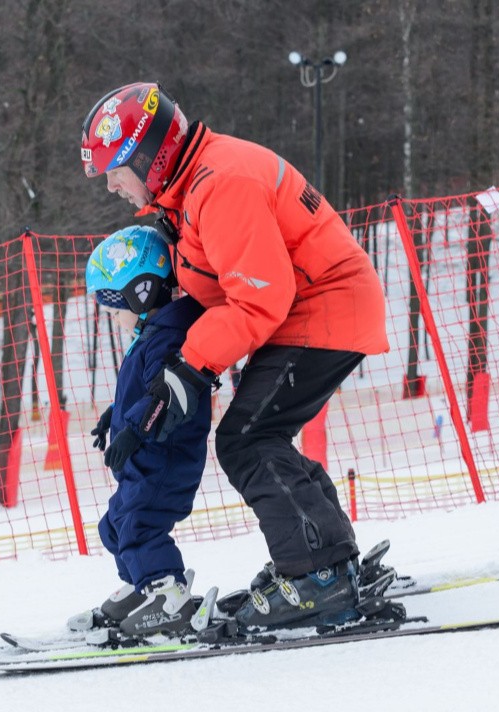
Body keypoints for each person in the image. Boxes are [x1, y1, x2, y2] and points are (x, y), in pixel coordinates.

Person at [80, 83, 390, 631]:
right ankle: (328, 558)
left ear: (148, 156)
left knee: (248, 439)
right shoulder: (192, 187)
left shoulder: (218, 183)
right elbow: (214, 296)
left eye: (115, 168)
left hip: (324, 306)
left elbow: (256, 296)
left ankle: (318, 573)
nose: (111, 185)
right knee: (255, 435)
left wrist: (185, 372)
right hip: (310, 308)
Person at [75, 225, 211, 637]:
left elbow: (165, 396)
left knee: (139, 524)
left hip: (164, 461)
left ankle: (169, 596)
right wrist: (114, 416)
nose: (113, 316)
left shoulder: (169, 336)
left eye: (116, 307)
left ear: (142, 291)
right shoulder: (152, 334)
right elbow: (144, 389)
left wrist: (133, 428)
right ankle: (145, 586)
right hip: (144, 461)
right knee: (115, 525)